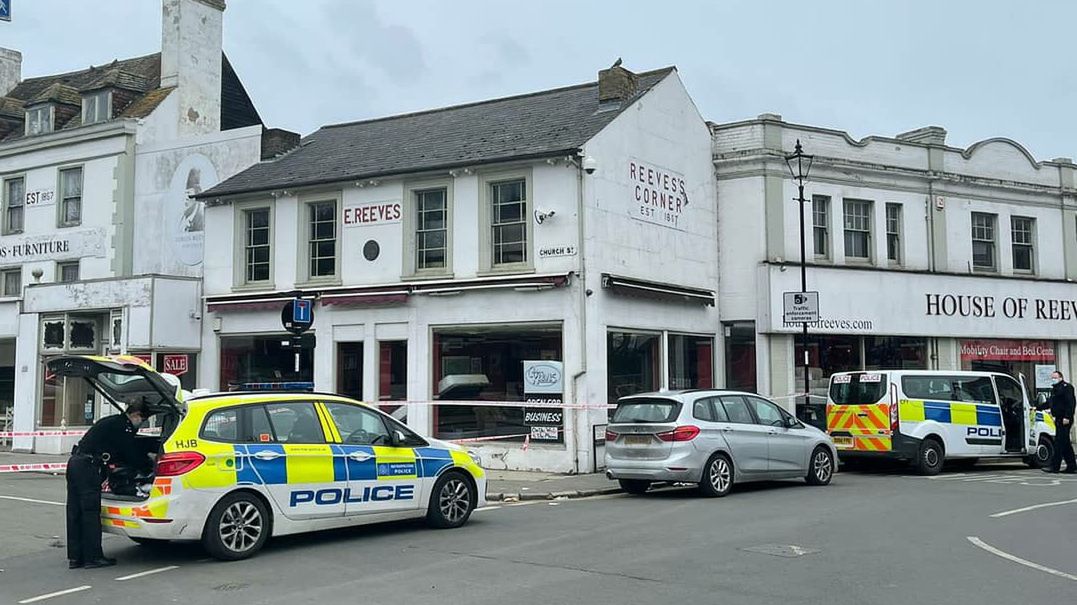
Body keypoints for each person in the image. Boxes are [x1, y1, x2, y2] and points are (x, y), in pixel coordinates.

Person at [66, 401, 153, 569]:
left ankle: (76, 558)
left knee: (74, 511)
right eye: (142, 420)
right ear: (135, 415)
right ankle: (93, 558)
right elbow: (130, 454)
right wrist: (148, 466)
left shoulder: (112, 421)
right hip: (88, 467)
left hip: (75, 463)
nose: (141, 424)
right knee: (90, 511)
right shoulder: (124, 427)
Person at [1037, 370, 1076, 474]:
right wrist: (1037, 407)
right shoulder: (1054, 390)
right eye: (1052, 377)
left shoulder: (1067, 387)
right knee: (1065, 443)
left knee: (1059, 443)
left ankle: (1054, 467)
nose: (1053, 379)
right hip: (1058, 418)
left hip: (1065, 419)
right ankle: (1072, 466)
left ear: (1060, 377)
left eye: (1055, 377)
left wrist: (1067, 416)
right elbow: (1050, 403)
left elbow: (1070, 403)